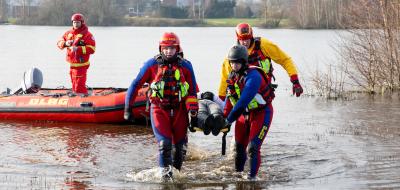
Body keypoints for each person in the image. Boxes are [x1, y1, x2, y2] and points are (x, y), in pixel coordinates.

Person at [124, 32, 199, 180]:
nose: (168, 51)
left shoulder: (186, 66)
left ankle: (176, 177)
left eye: (172, 48)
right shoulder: (151, 64)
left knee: (179, 150)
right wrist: (128, 108)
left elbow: (191, 92)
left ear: (177, 49)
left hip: (179, 111)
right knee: (164, 145)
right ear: (160, 48)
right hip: (159, 109)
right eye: (165, 48)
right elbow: (135, 84)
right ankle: (165, 180)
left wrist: (194, 114)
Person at [218, 23, 303, 100]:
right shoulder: (233, 54)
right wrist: (221, 98)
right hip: (243, 96)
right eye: (242, 39)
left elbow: (285, 60)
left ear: (251, 36)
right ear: (237, 38)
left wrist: (295, 81)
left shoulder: (263, 45)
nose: (245, 42)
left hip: (263, 93)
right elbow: (225, 77)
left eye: (247, 39)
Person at [57, 13, 96, 94]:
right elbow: (59, 42)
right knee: (74, 85)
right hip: (72, 65)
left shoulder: (87, 35)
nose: (76, 24)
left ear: (82, 22)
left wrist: (78, 49)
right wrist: (65, 43)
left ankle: (82, 100)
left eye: (78, 22)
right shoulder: (68, 33)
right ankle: (76, 99)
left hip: (81, 65)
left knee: (79, 87)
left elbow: (92, 49)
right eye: (74, 22)